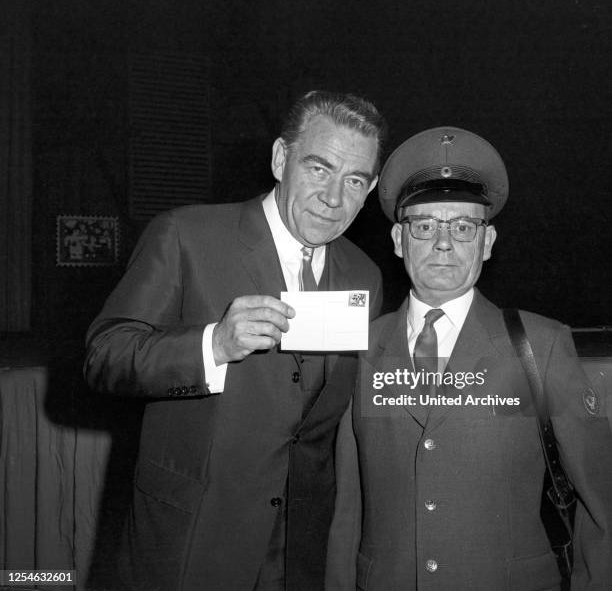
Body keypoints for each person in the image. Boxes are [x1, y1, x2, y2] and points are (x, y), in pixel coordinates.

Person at [84, 90, 386, 591]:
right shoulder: (185, 234)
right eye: (318, 168)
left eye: (353, 180)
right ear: (280, 159)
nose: (333, 198)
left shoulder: (365, 273)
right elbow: (103, 355)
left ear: (370, 187)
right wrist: (212, 345)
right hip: (193, 535)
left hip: (299, 548)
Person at [325, 127, 612, 590]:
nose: (443, 243)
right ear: (399, 240)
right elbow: (347, 508)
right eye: (425, 225)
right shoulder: (359, 350)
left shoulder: (541, 347)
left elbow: (604, 506)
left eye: (462, 226)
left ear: (488, 241)